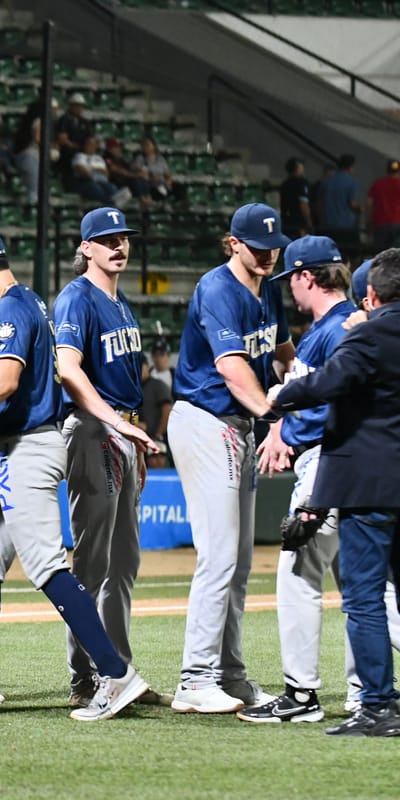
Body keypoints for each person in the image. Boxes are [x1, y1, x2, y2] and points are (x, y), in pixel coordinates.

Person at [0, 228, 149, 721]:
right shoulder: (28, 301)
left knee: (46, 566)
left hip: (31, 449)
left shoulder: (12, 308)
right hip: (15, 447)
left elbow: (6, 379)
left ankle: (115, 674)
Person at [267, 248, 400, 737]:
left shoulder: (364, 334)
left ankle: (377, 706)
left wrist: (279, 399)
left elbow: (326, 385)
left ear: (371, 294)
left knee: (362, 598)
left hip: (365, 482)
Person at [168, 203, 295, 713]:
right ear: (233, 243)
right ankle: (195, 679)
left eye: (273, 246)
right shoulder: (218, 288)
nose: (267, 254)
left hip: (237, 425)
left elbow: (283, 351)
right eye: (257, 246)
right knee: (220, 554)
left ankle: (230, 675)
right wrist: (273, 410)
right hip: (206, 419)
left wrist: (294, 381)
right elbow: (232, 367)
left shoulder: (269, 288)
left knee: (239, 563)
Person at [235, 236, 356, 724]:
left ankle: (302, 696)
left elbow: (337, 400)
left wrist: (290, 426)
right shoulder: (341, 326)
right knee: (365, 589)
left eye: (293, 280)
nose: (290, 291)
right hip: (340, 462)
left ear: (307, 277)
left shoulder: (336, 330)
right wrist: (284, 424)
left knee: (300, 574)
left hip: (328, 465)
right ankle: (365, 693)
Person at [54, 209, 165, 710]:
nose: (118, 246)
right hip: (94, 428)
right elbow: (68, 369)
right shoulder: (77, 296)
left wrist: (132, 431)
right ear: (86, 248)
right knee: (93, 564)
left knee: (124, 563)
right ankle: (86, 675)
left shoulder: (121, 304)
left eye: (123, 238)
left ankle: (119, 669)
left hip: (122, 429)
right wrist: (117, 424)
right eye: (107, 239)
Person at [366, 159, 400, 252]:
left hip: (380, 224)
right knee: (397, 257)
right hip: (398, 225)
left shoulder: (377, 184)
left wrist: (368, 223)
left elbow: (369, 205)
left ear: (387, 169)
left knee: (380, 255)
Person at [280, 157, 312, 241]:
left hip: (287, 221)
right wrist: (309, 222)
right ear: (297, 168)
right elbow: (303, 204)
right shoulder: (302, 183)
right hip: (299, 223)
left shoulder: (285, 184)